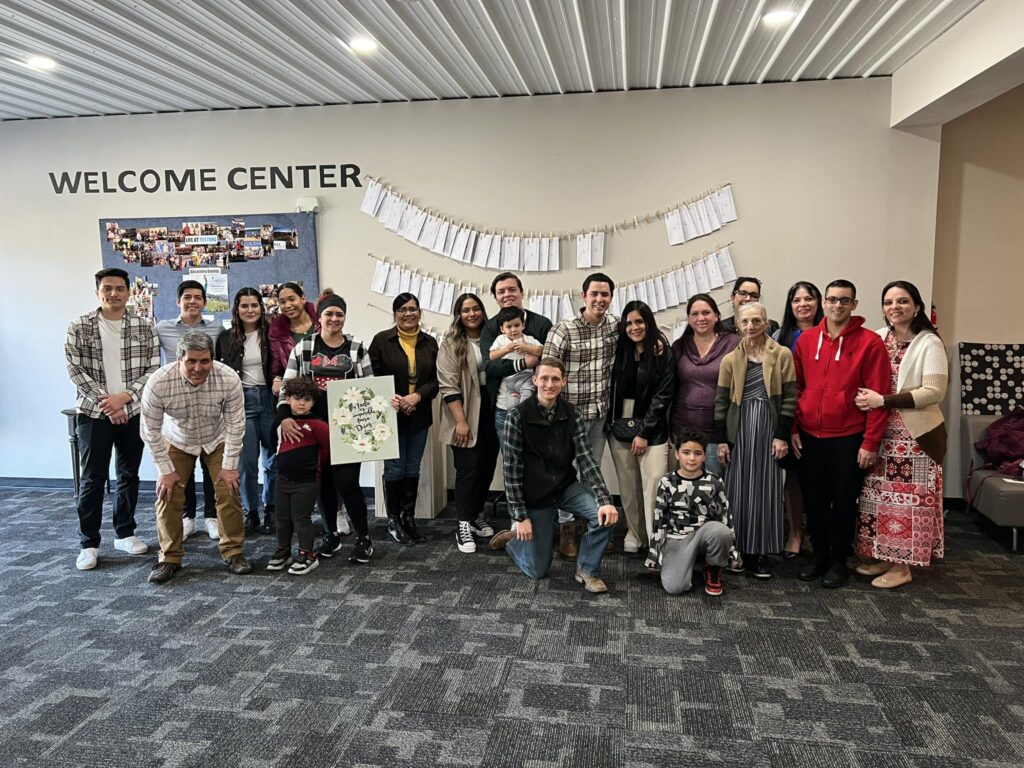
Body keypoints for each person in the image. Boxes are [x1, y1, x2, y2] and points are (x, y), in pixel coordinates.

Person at [488, 358, 619, 593]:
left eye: (555, 379)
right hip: (535, 495)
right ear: (535, 380)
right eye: (545, 378)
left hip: (564, 487)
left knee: (603, 515)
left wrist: (604, 499)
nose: (550, 384)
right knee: (537, 570)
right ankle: (515, 540)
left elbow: (586, 460)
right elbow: (511, 470)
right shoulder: (517, 416)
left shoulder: (572, 414)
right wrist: (519, 516)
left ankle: (587, 570)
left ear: (563, 382)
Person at [792, 279, 890, 588]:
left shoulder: (870, 343)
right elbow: (795, 388)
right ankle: (819, 554)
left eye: (844, 300)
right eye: (832, 299)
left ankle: (839, 560)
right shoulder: (807, 340)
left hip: (849, 437)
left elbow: (878, 396)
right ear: (824, 303)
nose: (837, 305)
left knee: (844, 502)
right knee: (814, 501)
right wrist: (793, 427)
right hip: (809, 436)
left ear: (854, 304)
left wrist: (870, 442)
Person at [854, 281, 947, 589]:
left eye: (903, 301)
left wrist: (884, 400)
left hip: (914, 437)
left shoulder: (928, 342)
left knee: (908, 502)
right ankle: (885, 556)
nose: (895, 307)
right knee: (880, 499)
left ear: (917, 306)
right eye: (889, 302)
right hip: (881, 433)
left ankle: (902, 566)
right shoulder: (880, 337)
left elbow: (933, 391)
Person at [66, 267, 160, 570]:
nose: (113, 294)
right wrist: (108, 402)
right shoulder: (79, 326)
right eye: (107, 288)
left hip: (132, 411)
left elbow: (153, 367)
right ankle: (89, 543)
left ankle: (124, 532)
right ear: (98, 292)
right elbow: (75, 369)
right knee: (93, 478)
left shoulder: (145, 326)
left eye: (119, 288)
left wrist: (124, 398)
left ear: (129, 292)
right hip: (93, 412)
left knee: (128, 474)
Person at [140, 331, 250, 584]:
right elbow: (149, 431)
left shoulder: (228, 377)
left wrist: (230, 466)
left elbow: (236, 425)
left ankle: (234, 552)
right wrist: (165, 470)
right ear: (179, 359)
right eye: (191, 361)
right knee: (168, 493)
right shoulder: (159, 382)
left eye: (204, 361)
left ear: (212, 359)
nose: (198, 368)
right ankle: (169, 557)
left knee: (229, 490)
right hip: (178, 439)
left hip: (216, 437)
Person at [278, 289, 373, 564]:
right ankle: (331, 535)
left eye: (339, 314)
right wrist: (283, 417)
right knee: (323, 484)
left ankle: (364, 538)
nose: (334, 319)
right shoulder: (304, 348)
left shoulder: (357, 348)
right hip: (313, 429)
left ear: (345, 317)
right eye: (329, 314)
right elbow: (287, 387)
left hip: (349, 429)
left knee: (348, 483)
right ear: (319, 317)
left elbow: (370, 387)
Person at [714, 302, 797, 579]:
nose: (750, 326)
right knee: (736, 491)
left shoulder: (782, 355)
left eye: (756, 321)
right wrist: (722, 441)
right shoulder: (730, 360)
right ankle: (736, 550)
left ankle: (761, 552)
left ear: (766, 323)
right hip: (739, 431)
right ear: (738, 324)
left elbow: (790, 399)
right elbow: (721, 403)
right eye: (745, 321)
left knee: (767, 490)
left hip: (769, 430)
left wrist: (781, 435)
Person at [542, 272, 619, 558]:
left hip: (599, 415)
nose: (599, 299)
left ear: (611, 297)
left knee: (591, 472)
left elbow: (643, 333)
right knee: (563, 474)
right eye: (594, 294)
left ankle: (593, 527)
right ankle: (567, 529)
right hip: (567, 419)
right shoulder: (564, 330)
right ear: (583, 296)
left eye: (605, 294)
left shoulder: (615, 326)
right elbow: (547, 371)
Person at [369, 292, 440, 546]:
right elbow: (371, 377)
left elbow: (436, 380)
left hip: (419, 414)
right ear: (395, 314)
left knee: (412, 467)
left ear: (420, 312)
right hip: (390, 414)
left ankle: (408, 518)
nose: (408, 313)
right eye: (402, 309)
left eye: (413, 309)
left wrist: (417, 397)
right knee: (395, 468)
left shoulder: (430, 343)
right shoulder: (381, 340)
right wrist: (395, 398)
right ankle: (393, 521)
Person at [155, 279, 223, 540]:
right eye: (187, 297)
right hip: (177, 406)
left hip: (208, 404)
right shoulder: (162, 329)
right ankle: (188, 517)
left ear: (204, 302)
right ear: (178, 301)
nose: (192, 301)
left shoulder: (216, 328)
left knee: (209, 466)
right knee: (182, 467)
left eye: (198, 297)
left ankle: (211, 517)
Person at [607, 300, 675, 554]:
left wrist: (644, 432)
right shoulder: (618, 351)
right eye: (629, 323)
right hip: (620, 425)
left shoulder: (662, 353)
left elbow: (662, 396)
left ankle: (656, 539)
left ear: (649, 323)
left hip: (653, 426)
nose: (634, 327)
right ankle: (635, 533)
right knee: (628, 487)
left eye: (639, 322)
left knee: (654, 482)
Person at [438, 293, 499, 553]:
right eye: (466, 310)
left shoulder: (494, 337)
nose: (472, 314)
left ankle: (476, 514)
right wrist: (461, 422)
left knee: (487, 465)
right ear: (459, 315)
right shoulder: (451, 343)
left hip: (492, 408)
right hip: (463, 409)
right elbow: (448, 386)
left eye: (476, 309)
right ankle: (463, 523)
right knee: (468, 467)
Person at [215, 288, 277, 535]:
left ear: (261, 307)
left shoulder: (273, 334)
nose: (250, 310)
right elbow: (218, 374)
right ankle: (251, 512)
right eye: (244, 306)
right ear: (237, 309)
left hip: (270, 400)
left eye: (254, 305)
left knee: (273, 461)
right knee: (247, 463)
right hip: (242, 402)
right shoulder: (225, 338)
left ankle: (271, 509)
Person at [645, 428, 733, 596]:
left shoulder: (715, 481)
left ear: (704, 456)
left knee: (721, 531)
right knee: (674, 587)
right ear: (677, 454)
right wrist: (653, 554)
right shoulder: (667, 482)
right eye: (686, 453)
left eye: (697, 453)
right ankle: (685, 562)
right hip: (677, 539)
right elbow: (660, 519)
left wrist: (733, 554)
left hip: (703, 533)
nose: (692, 458)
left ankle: (713, 568)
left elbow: (725, 517)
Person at [773, 281, 824, 558]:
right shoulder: (780, 338)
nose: (803, 304)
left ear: (819, 303)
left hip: (823, 420)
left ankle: (820, 534)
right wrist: (788, 426)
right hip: (789, 418)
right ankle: (795, 532)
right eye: (797, 300)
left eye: (809, 298)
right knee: (791, 478)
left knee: (820, 480)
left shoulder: (830, 333)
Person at [670, 294, 740, 478]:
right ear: (688, 319)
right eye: (695, 314)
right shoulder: (679, 346)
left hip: (718, 433)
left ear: (716, 315)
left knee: (716, 486)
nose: (700, 318)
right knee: (687, 487)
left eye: (706, 313)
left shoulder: (734, 344)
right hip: (682, 431)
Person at [268, 377, 330, 575]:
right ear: (287, 399)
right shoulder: (282, 423)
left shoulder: (319, 425)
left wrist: (316, 470)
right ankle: (283, 550)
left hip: (307, 481)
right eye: (297, 398)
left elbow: (327, 450)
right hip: (283, 479)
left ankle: (308, 554)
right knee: (282, 517)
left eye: (307, 399)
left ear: (313, 402)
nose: (302, 403)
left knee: (301, 518)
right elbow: (274, 444)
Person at [489, 305, 541, 437]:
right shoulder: (501, 340)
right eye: (509, 327)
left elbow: (542, 351)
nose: (513, 330)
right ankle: (515, 424)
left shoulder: (529, 339)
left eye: (517, 325)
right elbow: (492, 356)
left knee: (525, 403)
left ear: (523, 325)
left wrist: (526, 348)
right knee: (511, 407)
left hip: (527, 378)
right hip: (510, 380)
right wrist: (506, 350)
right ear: (502, 329)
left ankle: (524, 423)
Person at [268, 281, 318, 395]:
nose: (287, 305)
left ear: (303, 299)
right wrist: (277, 379)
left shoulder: (321, 320)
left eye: (291, 299)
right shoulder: (276, 332)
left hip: (323, 383)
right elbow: (277, 368)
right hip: (298, 391)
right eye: (282, 302)